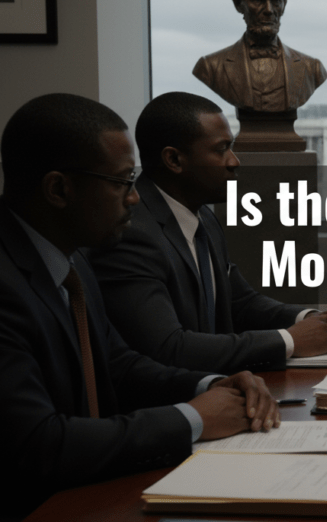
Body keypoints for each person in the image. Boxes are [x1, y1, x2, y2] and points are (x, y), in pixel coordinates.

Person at [0, 93, 280, 519]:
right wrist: (192, 419)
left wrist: (210, 385)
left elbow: (119, 364)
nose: (134, 199)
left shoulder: (72, 259)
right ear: (59, 189)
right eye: (122, 182)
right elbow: (40, 443)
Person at [87, 92, 327, 374]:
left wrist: (312, 319)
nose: (234, 161)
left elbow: (239, 301)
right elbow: (168, 348)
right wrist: (289, 340)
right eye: (221, 149)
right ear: (174, 160)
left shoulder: (202, 215)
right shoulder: (130, 233)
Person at [192, 0, 327, 112]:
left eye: (276, 0)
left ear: (284, 3)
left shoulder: (312, 68)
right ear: (238, 3)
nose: (269, 10)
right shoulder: (210, 67)